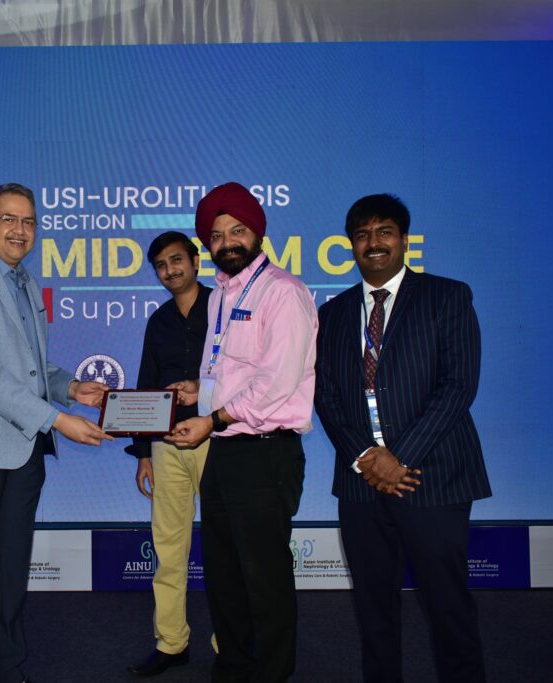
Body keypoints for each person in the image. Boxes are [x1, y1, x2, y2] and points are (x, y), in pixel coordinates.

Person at [0, 182, 112, 683]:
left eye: (28, 221)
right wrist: (57, 419)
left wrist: (70, 387)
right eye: (8, 219)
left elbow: (30, 367)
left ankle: (7, 668)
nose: (20, 230)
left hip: (23, 450)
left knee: (10, 571)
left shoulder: (26, 282)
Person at [314, 193, 491, 683]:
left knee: (448, 608)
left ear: (404, 239)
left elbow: (459, 385)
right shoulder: (332, 314)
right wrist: (366, 456)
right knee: (373, 611)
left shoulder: (447, 296)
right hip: (361, 483)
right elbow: (325, 395)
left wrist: (400, 458)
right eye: (362, 235)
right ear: (351, 245)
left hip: (432, 478)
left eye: (384, 232)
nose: (373, 243)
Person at [165, 182, 317, 682]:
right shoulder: (221, 297)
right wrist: (200, 392)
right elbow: (228, 371)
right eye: (216, 235)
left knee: (264, 580)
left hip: (266, 454)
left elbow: (275, 383)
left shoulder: (283, 292)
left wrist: (212, 419)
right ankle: (232, 669)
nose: (227, 242)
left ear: (257, 233)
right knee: (225, 575)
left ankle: (271, 675)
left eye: (237, 230)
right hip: (225, 452)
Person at [125, 231, 213, 677]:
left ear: (196, 261)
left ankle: (229, 643)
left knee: (225, 547)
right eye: (161, 265)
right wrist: (143, 452)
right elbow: (146, 385)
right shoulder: (158, 321)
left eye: (176, 260)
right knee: (168, 548)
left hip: (217, 440)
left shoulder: (225, 309)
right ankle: (171, 642)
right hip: (166, 446)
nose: (170, 270)